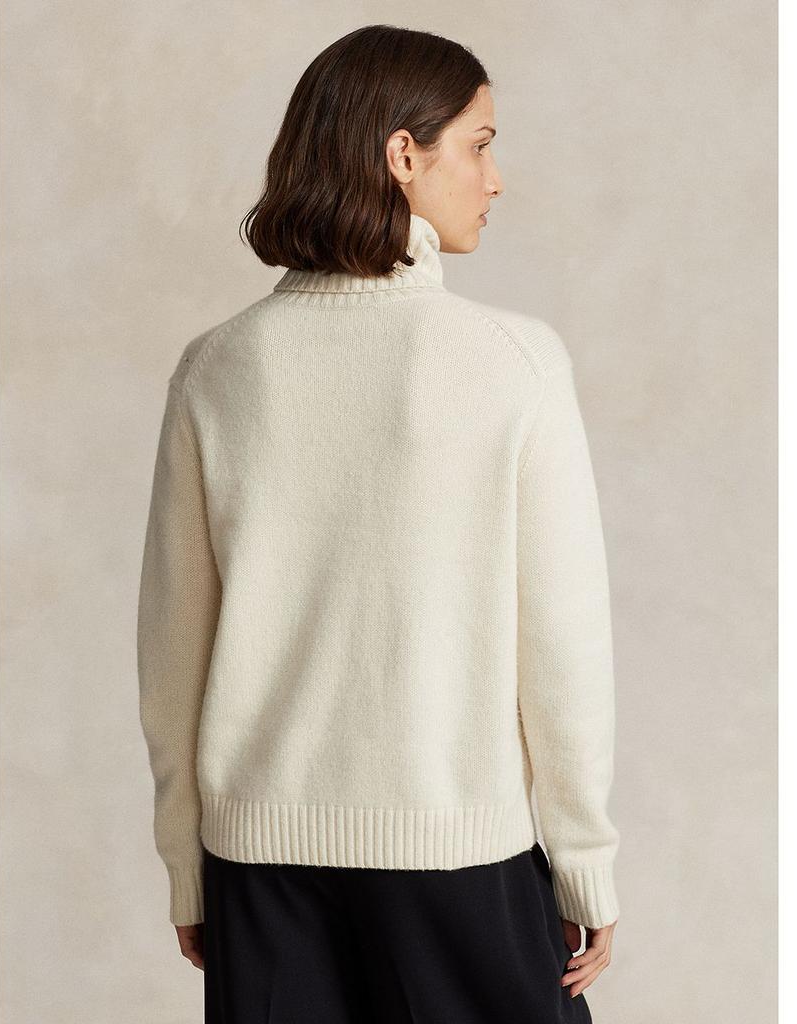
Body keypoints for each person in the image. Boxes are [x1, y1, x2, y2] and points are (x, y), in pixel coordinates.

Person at [137, 23, 620, 1024]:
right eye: (479, 145)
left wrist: (189, 864)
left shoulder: (217, 367)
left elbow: (171, 649)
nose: (495, 179)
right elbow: (563, 642)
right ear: (405, 154)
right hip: (456, 856)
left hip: (259, 869)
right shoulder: (513, 362)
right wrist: (583, 859)